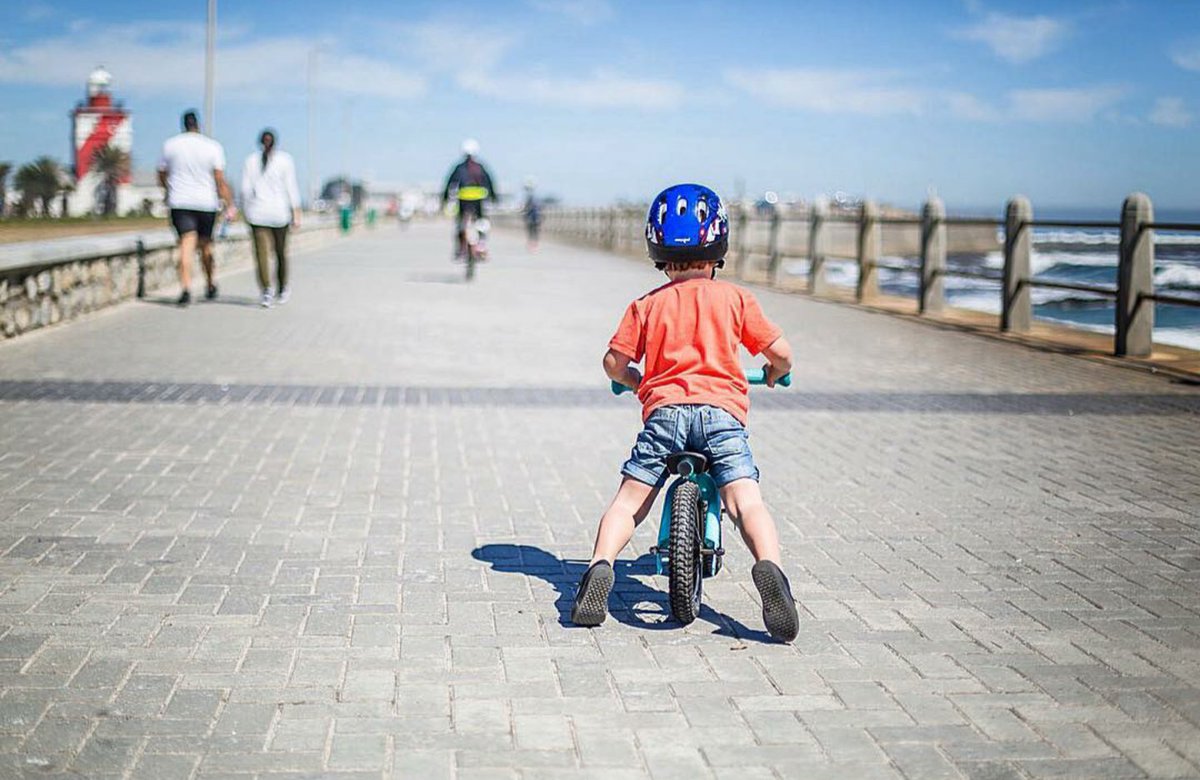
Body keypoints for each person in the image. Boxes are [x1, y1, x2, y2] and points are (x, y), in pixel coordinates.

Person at [570, 183, 800, 642]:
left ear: (657, 248)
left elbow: (614, 363)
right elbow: (783, 355)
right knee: (745, 501)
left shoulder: (647, 305)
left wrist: (637, 382)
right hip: (721, 416)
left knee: (629, 503)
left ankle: (599, 567)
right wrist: (773, 373)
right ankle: (770, 570)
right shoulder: (735, 300)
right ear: (719, 246)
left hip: (664, 417)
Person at [157, 110, 235, 306]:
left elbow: (161, 173)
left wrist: (168, 189)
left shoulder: (170, 145)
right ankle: (209, 283)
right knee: (206, 247)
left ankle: (185, 287)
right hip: (206, 203)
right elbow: (219, 179)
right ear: (197, 125)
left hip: (180, 202)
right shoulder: (212, 147)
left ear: (183, 124)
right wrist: (229, 204)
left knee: (186, 244)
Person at [240, 128, 301, 308]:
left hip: (257, 214)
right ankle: (282, 288)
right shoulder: (285, 160)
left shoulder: (250, 161)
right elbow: (291, 188)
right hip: (279, 214)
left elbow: (244, 191)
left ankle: (266, 289)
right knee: (280, 253)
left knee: (261, 255)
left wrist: (245, 212)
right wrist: (296, 213)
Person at [440, 139, 497, 259]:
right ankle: (481, 245)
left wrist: (444, 198)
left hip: (463, 201)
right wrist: (493, 197)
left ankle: (461, 249)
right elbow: (489, 183)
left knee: (460, 224)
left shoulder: (459, 167)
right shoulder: (480, 167)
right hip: (478, 201)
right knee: (481, 222)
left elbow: (450, 183)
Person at [522, 176, 542, 252]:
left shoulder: (531, 200)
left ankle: (533, 244)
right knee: (533, 232)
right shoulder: (534, 200)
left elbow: (526, 210)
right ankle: (533, 244)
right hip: (533, 219)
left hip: (533, 219)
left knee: (532, 232)